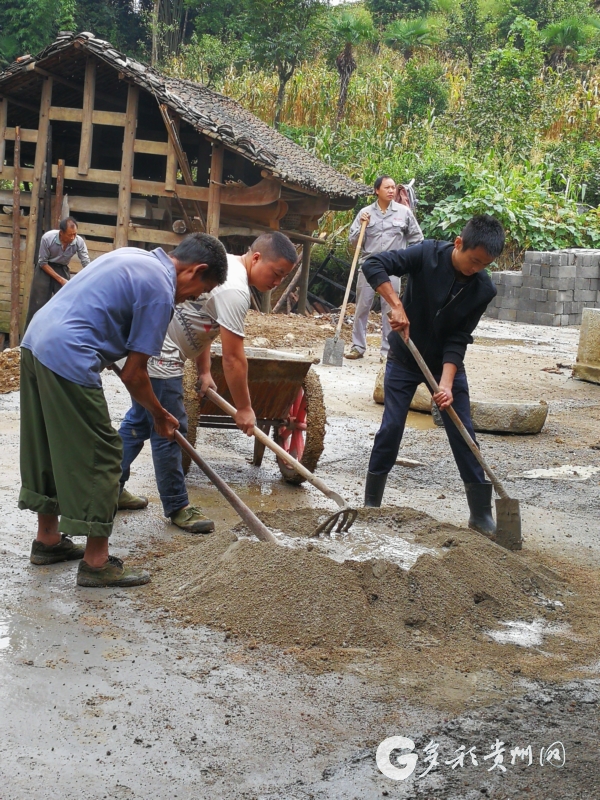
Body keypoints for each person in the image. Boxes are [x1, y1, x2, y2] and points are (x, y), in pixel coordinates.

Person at [19, 233, 228, 588]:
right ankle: (97, 563)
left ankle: (49, 541)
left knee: (47, 446)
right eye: (195, 293)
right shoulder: (161, 290)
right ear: (196, 270)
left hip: (35, 341)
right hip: (69, 355)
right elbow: (135, 373)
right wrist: (160, 414)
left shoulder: (135, 256)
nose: (189, 299)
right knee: (103, 454)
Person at [117, 231, 298, 533]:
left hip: (156, 345)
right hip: (160, 352)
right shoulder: (235, 289)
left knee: (138, 423)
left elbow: (201, 322)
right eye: (276, 273)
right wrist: (244, 408)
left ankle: (110, 487)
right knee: (171, 429)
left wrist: (204, 371)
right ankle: (178, 506)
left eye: (283, 278)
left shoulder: (227, 267)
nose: (277, 282)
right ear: (256, 258)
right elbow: (233, 359)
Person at [362, 215, 505, 538]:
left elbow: (459, 336)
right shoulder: (426, 254)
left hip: (444, 363)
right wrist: (396, 304)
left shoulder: (484, 289)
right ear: (458, 244)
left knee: (461, 429)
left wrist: (446, 383)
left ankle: (480, 514)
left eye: (484, 264)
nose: (476, 269)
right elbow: (374, 265)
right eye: (474, 260)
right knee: (392, 425)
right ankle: (371, 504)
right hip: (405, 353)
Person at [345, 175, 423, 362]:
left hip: (392, 268)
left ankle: (388, 351)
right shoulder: (365, 213)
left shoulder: (403, 212)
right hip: (368, 266)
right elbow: (353, 241)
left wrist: (409, 260)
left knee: (391, 309)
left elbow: (417, 239)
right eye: (387, 187)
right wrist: (361, 226)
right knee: (362, 307)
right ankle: (357, 346)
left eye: (393, 188)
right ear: (376, 190)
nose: (391, 191)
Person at [25, 217, 90, 328]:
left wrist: (89, 277)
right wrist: (60, 279)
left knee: (66, 304)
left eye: (75, 234)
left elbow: (86, 262)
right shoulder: (48, 238)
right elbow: (42, 262)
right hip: (45, 269)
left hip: (62, 268)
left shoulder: (78, 241)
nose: (73, 237)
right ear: (61, 233)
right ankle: (28, 340)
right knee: (38, 304)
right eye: (70, 235)